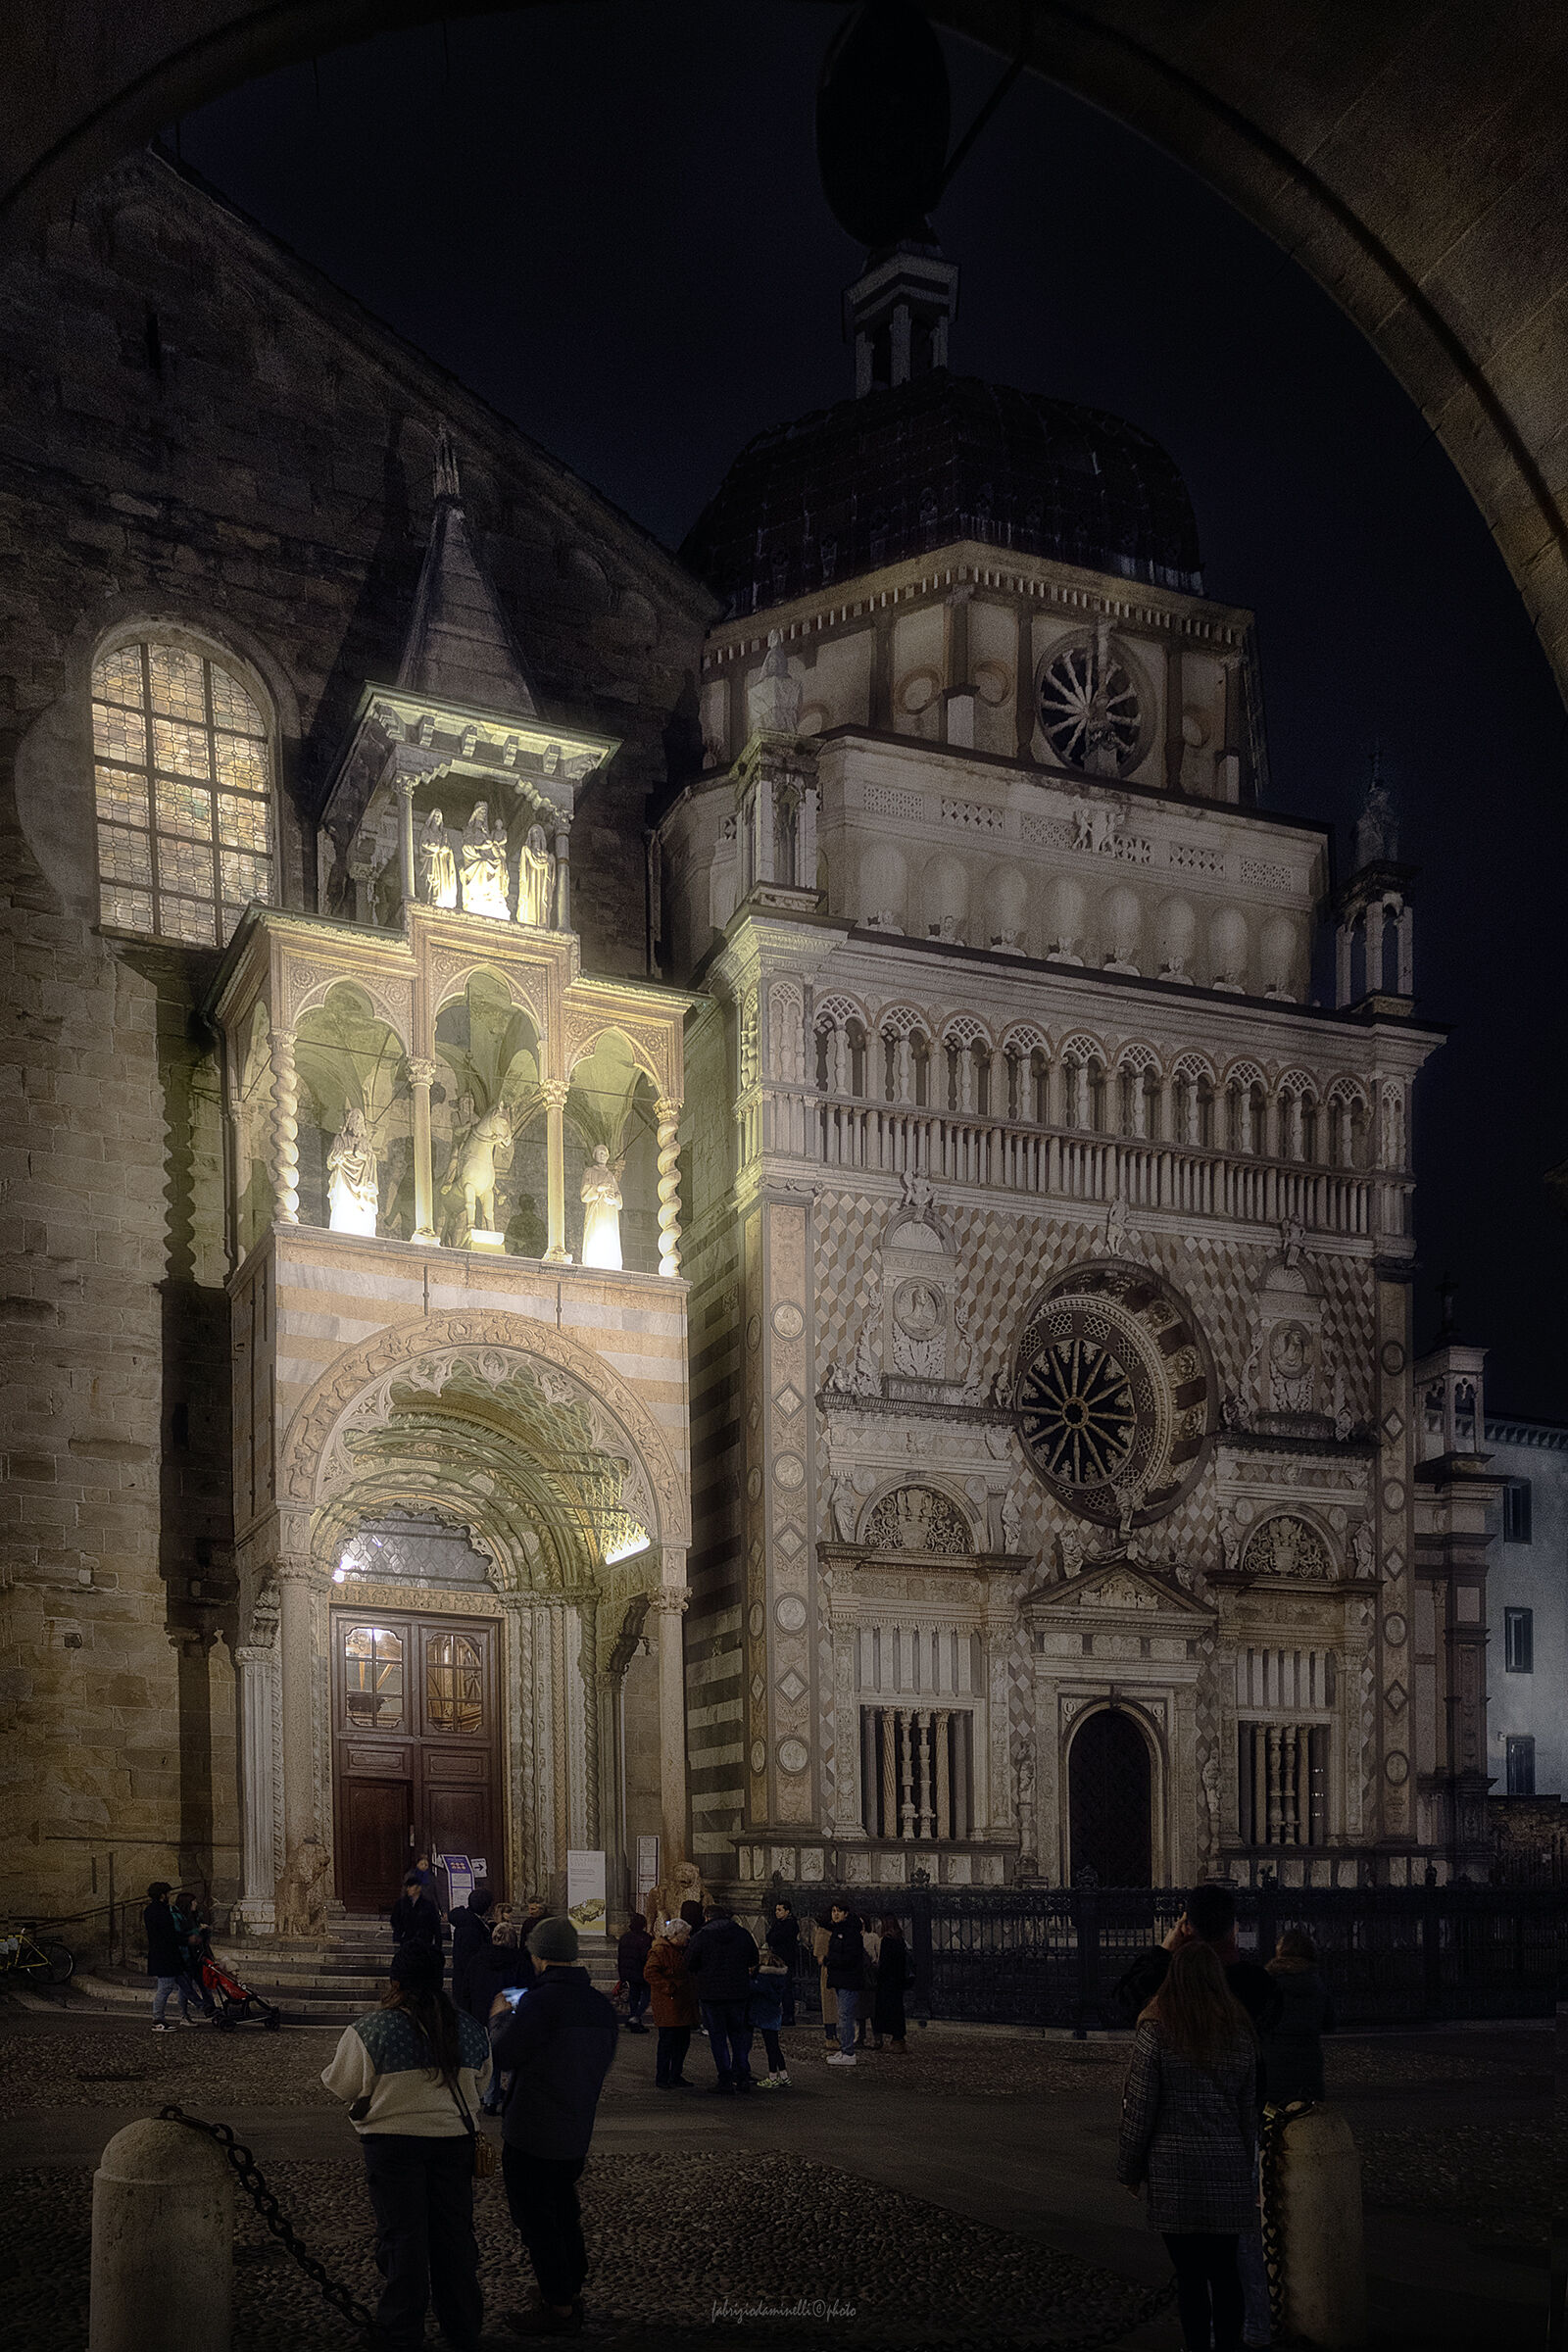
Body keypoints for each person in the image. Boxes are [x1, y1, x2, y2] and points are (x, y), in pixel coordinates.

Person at [321, 1938, 491, 2352]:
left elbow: (341, 2083)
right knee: (454, 2237)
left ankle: (401, 2332)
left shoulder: (370, 2029)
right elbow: (482, 2083)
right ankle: (463, 2328)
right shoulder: (470, 2028)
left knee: (403, 2238)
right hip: (454, 2143)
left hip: (393, 2147)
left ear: (394, 1982)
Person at [1116, 1940, 1259, 2352]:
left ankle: (1197, 2346)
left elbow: (1139, 2107)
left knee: (1191, 2276)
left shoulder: (1157, 2028)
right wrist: (1243, 2167)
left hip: (1175, 2172)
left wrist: (1129, 2170)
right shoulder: (1241, 2031)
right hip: (1227, 2168)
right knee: (1225, 2273)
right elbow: (1247, 2113)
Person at [488, 1914, 617, 2335]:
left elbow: (504, 2054)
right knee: (563, 2208)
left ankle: (558, 2305)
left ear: (539, 1957)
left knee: (536, 2219)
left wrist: (499, 2016)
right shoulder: (599, 2005)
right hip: (576, 2127)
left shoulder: (539, 2003)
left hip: (532, 2130)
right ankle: (569, 2285)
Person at [684, 1902, 760, 2093]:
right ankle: (742, 2075)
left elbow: (690, 1962)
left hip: (712, 1994)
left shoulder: (702, 1936)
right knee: (738, 2034)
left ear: (707, 1917)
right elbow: (754, 1958)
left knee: (718, 2037)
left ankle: (725, 2078)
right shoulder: (742, 1934)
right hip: (737, 1992)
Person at [1261, 1929, 1336, 2105]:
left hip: (1273, 2061)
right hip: (1309, 2062)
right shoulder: (1317, 1985)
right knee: (1308, 2114)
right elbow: (1330, 2022)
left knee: (1271, 2116)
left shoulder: (1269, 1982)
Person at [644, 1915, 700, 2089]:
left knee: (682, 2041)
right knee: (667, 2042)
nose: (688, 1938)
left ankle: (675, 2074)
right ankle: (663, 2076)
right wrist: (669, 1987)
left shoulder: (680, 1951)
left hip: (682, 2004)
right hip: (669, 2004)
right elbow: (650, 1973)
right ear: (676, 1935)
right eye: (685, 1935)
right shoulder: (660, 1951)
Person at [823, 1900, 869, 2068]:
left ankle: (848, 2051)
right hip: (841, 1978)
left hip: (848, 1979)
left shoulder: (851, 1933)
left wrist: (831, 1961)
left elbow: (849, 1957)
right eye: (833, 1910)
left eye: (839, 1911)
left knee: (846, 2016)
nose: (835, 1914)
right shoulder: (839, 1930)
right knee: (843, 2015)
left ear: (846, 1914)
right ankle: (844, 2049)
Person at [144, 1881, 193, 2032]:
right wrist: (187, 1940)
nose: (170, 1896)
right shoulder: (161, 1912)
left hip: (162, 1953)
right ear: (162, 1895)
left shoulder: (151, 1910)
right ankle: (157, 2019)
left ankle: (183, 2014)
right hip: (165, 1954)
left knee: (176, 1985)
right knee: (165, 1988)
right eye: (168, 1893)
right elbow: (168, 1934)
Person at [449, 1883, 496, 2022]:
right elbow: (473, 1960)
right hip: (469, 1986)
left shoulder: (468, 1922)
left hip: (463, 1982)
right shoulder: (472, 1930)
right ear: (486, 1907)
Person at [169, 1888, 216, 2019]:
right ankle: (185, 2014)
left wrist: (205, 1931)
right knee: (185, 1987)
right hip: (185, 1956)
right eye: (193, 1902)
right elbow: (181, 1935)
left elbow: (200, 1936)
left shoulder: (194, 1915)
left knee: (204, 1984)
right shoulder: (176, 1916)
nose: (195, 1904)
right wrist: (197, 1930)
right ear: (187, 1903)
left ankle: (211, 2009)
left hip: (197, 1955)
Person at [751, 1946, 792, 2087]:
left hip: (765, 2014)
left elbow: (755, 1989)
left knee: (771, 2047)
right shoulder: (780, 1979)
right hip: (775, 2014)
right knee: (775, 2046)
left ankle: (772, 2076)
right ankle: (784, 2075)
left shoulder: (764, 1979)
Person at [871, 1915, 911, 2053]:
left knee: (882, 2011)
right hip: (898, 1982)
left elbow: (885, 1964)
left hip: (887, 1982)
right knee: (897, 2011)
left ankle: (880, 2038)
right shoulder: (900, 1940)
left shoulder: (887, 1941)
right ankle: (899, 2039)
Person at [391, 1871, 444, 1971]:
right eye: (408, 1887)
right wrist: (400, 1933)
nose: (409, 1889)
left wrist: (437, 1943)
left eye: (412, 1886)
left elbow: (435, 1925)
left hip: (423, 1942)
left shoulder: (428, 1905)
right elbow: (395, 1920)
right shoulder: (401, 1904)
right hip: (406, 1941)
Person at [764, 1899, 801, 2028]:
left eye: (780, 1910)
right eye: (776, 1910)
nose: (777, 1912)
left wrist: (774, 1937)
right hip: (777, 1959)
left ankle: (788, 2015)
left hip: (786, 1959)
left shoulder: (790, 1925)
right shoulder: (778, 1923)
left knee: (786, 1987)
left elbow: (775, 1938)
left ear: (787, 1911)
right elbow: (769, 1938)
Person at [615, 1912, 653, 2034]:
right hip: (641, 1971)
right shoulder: (645, 1938)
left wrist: (622, 1974)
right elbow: (645, 1956)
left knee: (634, 1996)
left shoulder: (625, 1937)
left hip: (629, 1971)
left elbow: (621, 1957)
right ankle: (635, 2017)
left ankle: (635, 2020)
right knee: (646, 1995)